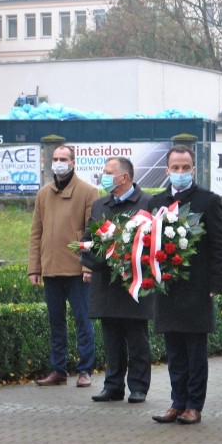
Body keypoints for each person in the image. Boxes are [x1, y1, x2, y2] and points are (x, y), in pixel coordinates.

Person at [150, 144, 222, 425]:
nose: (181, 173)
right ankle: (177, 402)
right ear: (167, 170)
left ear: (193, 169)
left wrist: (218, 282)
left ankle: (194, 405)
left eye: (186, 168)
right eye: (176, 168)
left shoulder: (208, 201)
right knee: (173, 351)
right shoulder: (156, 202)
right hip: (167, 289)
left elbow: (220, 245)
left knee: (195, 351)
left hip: (197, 288)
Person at [81, 157, 153, 404]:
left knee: (137, 338)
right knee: (111, 339)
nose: (104, 175)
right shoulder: (100, 205)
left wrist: (130, 259)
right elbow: (89, 238)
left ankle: (139, 387)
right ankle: (113, 386)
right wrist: (94, 258)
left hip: (134, 284)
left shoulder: (147, 203)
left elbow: (155, 244)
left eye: (108, 172)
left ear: (124, 177)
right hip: (106, 284)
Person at [29, 144, 98, 388]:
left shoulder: (89, 192)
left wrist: (88, 266)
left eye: (63, 158)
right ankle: (58, 370)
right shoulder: (43, 194)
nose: (58, 162)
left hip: (77, 270)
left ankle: (85, 370)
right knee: (55, 322)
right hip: (50, 269)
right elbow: (36, 233)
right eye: (55, 158)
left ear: (73, 162)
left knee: (83, 321)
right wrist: (34, 268)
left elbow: (93, 233)